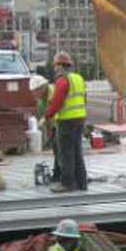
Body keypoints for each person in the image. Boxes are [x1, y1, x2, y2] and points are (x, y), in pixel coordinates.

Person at [45, 51, 87, 193]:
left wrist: (48, 114)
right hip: (80, 119)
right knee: (77, 152)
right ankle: (81, 183)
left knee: (66, 153)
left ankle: (67, 183)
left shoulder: (63, 80)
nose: (55, 68)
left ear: (60, 65)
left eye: (56, 65)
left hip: (66, 121)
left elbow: (57, 101)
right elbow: (84, 99)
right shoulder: (78, 79)